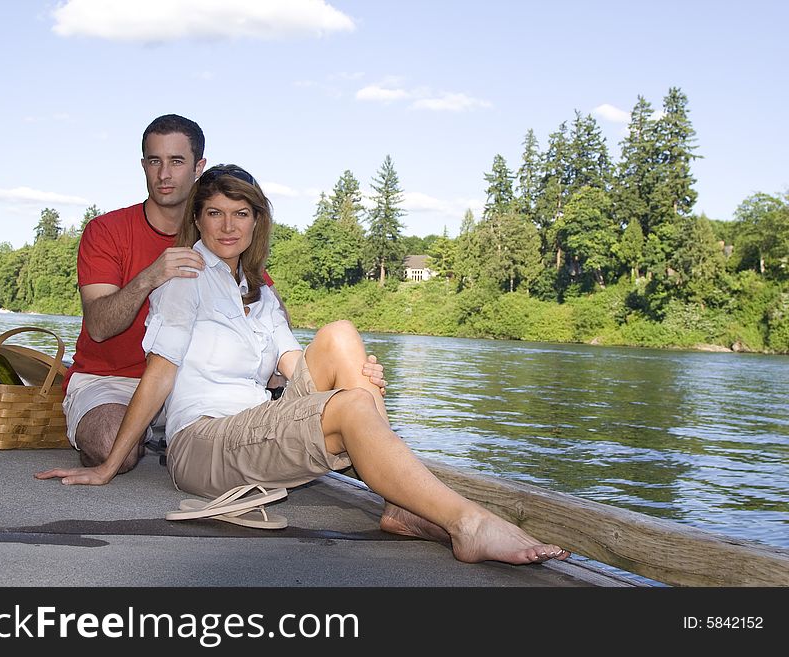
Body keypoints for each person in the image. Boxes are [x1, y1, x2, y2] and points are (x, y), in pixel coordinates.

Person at [37, 165, 570, 566]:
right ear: (197, 219)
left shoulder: (257, 291)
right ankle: (467, 522)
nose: (228, 226)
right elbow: (158, 375)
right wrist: (109, 466)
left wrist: (354, 376)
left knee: (340, 337)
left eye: (241, 213)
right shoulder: (184, 278)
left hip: (253, 425)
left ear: (257, 221)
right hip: (204, 443)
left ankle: (401, 506)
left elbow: (295, 366)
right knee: (352, 405)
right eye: (215, 212)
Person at [63, 115, 386, 474]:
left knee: (344, 362)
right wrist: (150, 276)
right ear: (143, 165)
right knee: (114, 447)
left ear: (199, 167)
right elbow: (99, 326)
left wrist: (340, 370)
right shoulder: (108, 230)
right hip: (115, 382)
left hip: (193, 389)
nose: (164, 174)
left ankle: (382, 469)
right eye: (154, 161)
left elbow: (273, 319)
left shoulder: (223, 238)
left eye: (177, 161)